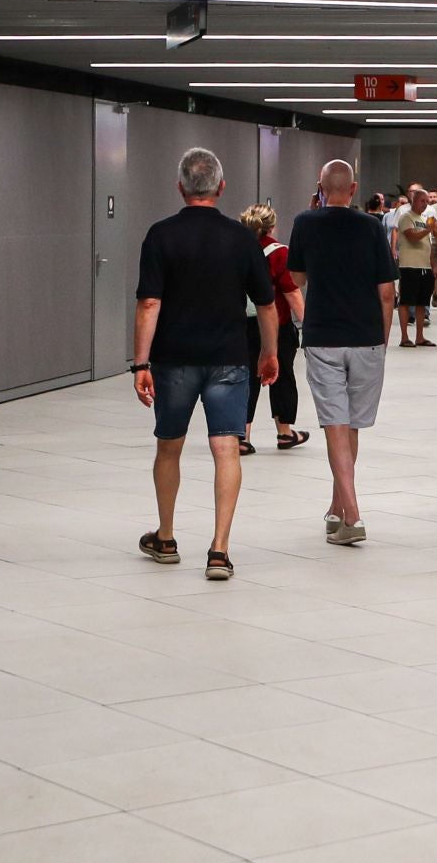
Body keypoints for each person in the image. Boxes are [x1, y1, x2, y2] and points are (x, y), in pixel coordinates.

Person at [132, 148, 278, 580]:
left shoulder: (160, 235)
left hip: (174, 358)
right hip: (229, 358)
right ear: (221, 187)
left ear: (180, 187)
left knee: (169, 445)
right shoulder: (242, 239)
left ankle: (167, 536)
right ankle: (219, 549)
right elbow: (266, 305)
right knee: (226, 447)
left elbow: (149, 302)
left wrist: (141, 361)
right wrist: (269, 353)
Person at [288, 159, 397, 546]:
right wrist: (382, 341)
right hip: (366, 337)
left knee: (335, 422)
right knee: (349, 425)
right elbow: (387, 293)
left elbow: (296, 278)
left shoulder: (304, 222)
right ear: (353, 191)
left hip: (323, 337)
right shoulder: (371, 226)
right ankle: (340, 507)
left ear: (320, 187)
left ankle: (349, 512)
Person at [239, 203, 308, 453]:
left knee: (246, 378)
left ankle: (241, 435)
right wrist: (310, 327)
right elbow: (292, 293)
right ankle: (285, 432)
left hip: (243, 326)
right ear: (272, 226)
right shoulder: (279, 253)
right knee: (283, 377)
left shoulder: (237, 251)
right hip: (277, 325)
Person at [391, 186, 437, 347]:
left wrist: (433, 265)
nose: (425, 204)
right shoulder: (406, 217)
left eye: (427, 201)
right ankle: (404, 337)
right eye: (421, 200)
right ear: (413, 200)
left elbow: (428, 243)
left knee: (421, 302)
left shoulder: (425, 219)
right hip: (409, 266)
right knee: (406, 301)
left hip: (425, 267)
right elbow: (412, 238)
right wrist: (429, 230)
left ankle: (420, 336)